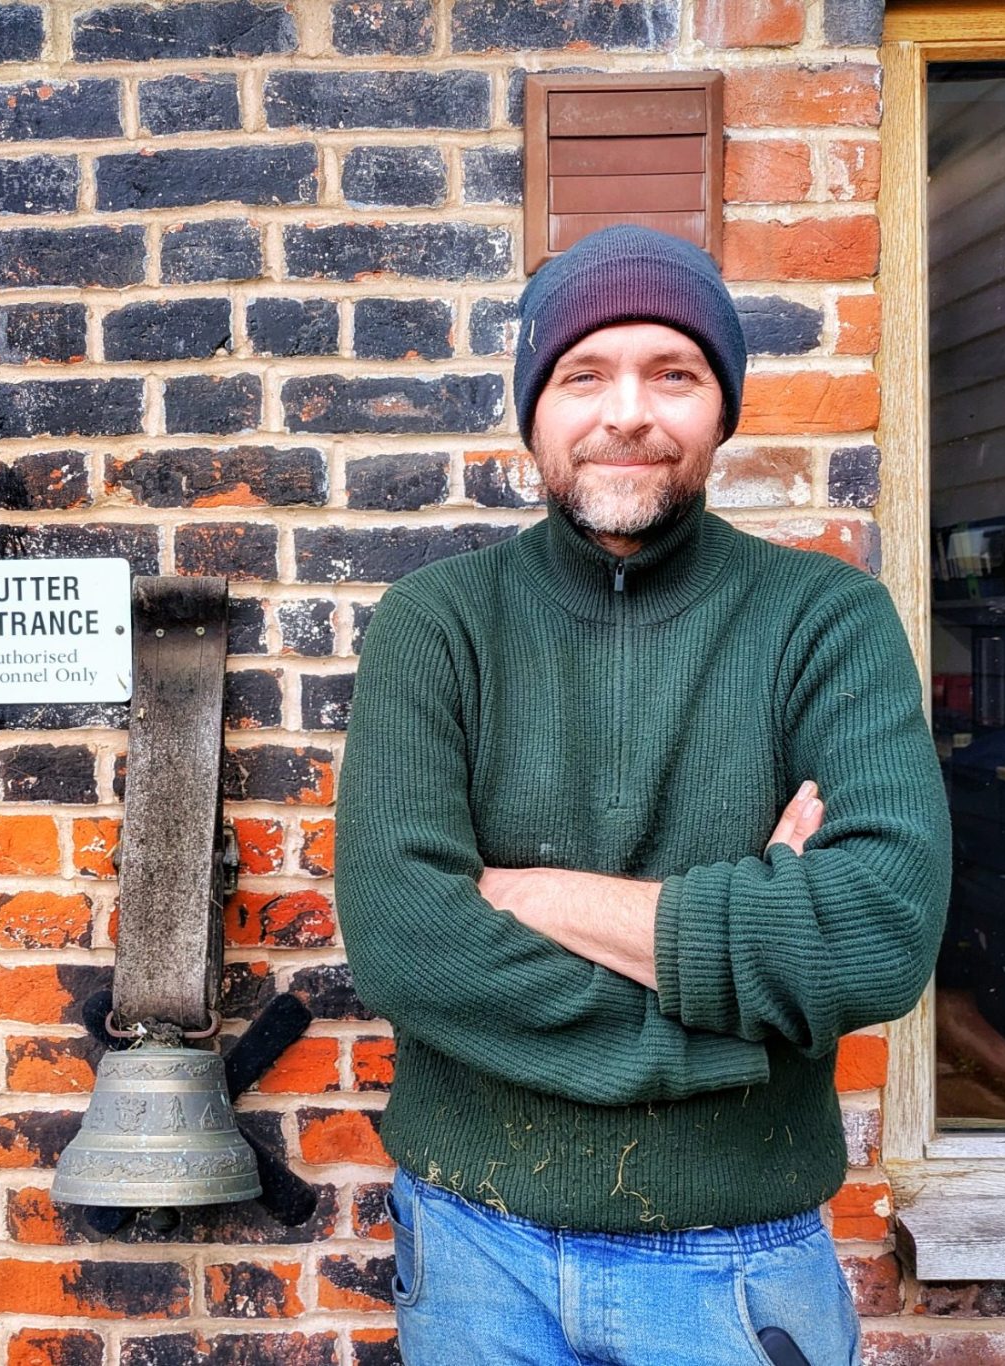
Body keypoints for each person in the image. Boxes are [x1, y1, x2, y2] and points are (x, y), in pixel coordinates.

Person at [336, 225, 952, 1366]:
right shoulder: (438, 626)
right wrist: (741, 1009)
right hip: (478, 1250)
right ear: (532, 412)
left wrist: (526, 894)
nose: (626, 411)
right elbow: (405, 941)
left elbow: (875, 933)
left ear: (721, 411)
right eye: (583, 374)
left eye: (672, 372)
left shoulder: (825, 621)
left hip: (739, 1262)